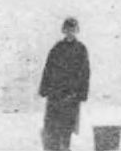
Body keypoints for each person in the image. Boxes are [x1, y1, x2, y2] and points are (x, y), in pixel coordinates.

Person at [39, 17, 90, 151]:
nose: (70, 32)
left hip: (71, 94)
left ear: (77, 30)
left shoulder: (81, 49)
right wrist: (44, 89)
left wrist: (82, 93)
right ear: (63, 30)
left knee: (67, 126)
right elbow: (48, 69)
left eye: (73, 29)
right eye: (67, 29)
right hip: (55, 94)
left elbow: (85, 73)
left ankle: (65, 148)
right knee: (53, 125)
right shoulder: (57, 48)